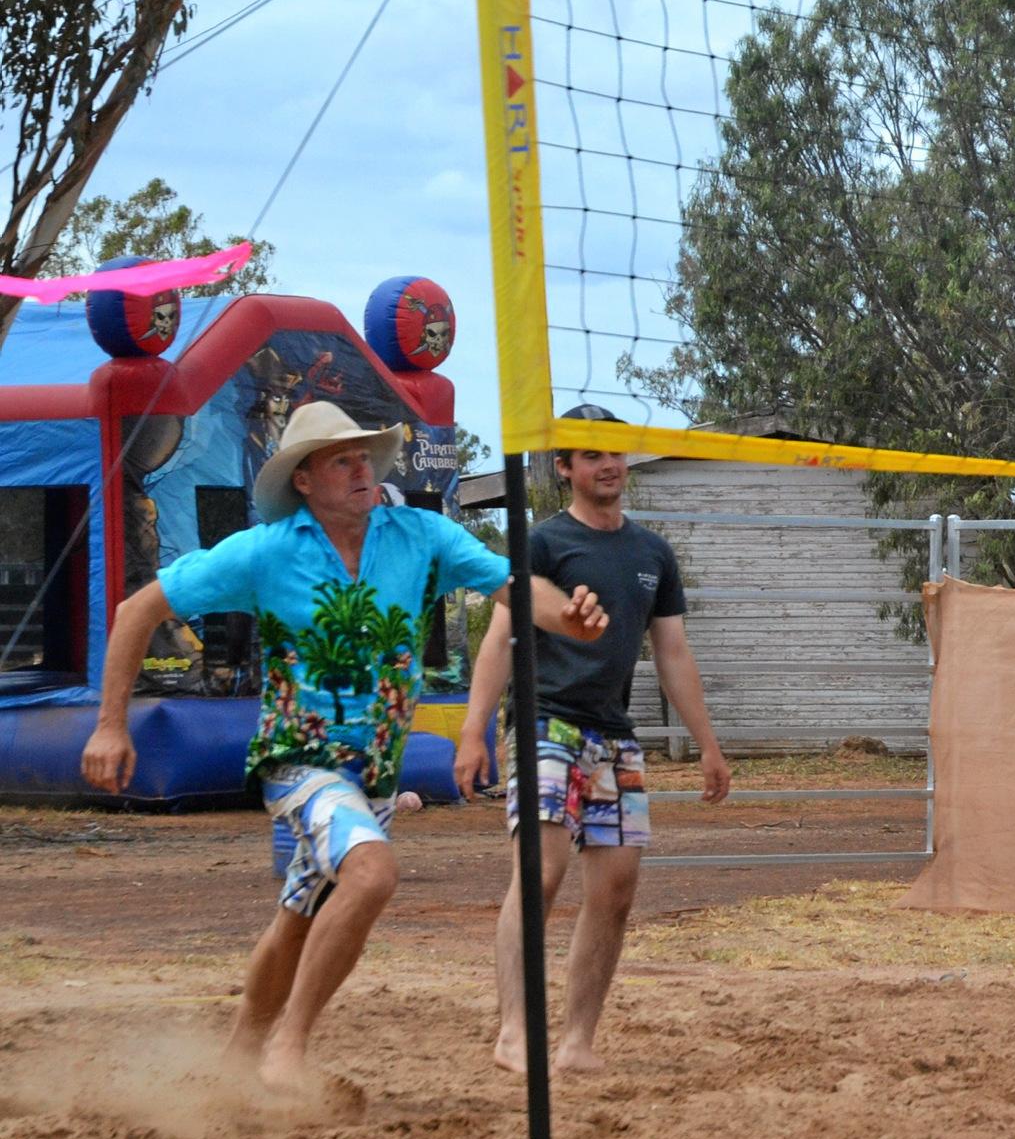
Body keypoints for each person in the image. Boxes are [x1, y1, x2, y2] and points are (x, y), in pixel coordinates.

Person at [80, 402, 607, 1094]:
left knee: (300, 916)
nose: (363, 470)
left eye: (366, 457)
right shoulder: (268, 549)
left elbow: (511, 587)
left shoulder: (422, 536)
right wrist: (110, 724)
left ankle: (238, 1059)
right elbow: (135, 611)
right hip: (298, 758)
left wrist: (566, 617)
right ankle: (289, 1048)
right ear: (303, 480)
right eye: (342, 460)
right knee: (371, 874)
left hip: (377, 776)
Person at [456, 405, 731, 1077]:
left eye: (615, 453)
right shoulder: (545, 544)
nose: (609, 465)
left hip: (613, 735)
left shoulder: (651, 553)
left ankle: (577, 1042)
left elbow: (672, 653)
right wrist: (474, 731)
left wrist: (709, 743)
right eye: (592, 455)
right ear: (565, 468)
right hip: (547, 722)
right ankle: (515, 1032)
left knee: (616, 889)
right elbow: (500, 638)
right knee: (541, 874)